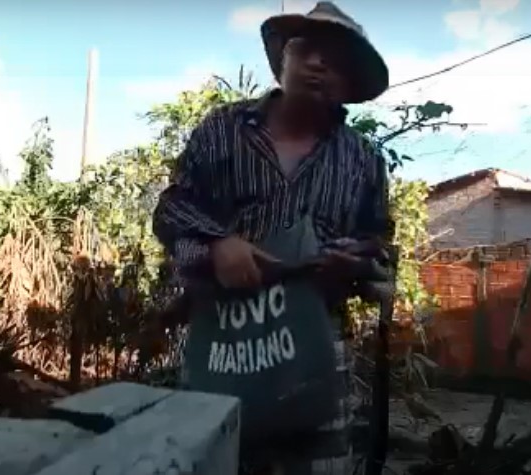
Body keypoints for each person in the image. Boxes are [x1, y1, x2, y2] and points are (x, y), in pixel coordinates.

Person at [153, 2, 390, 473]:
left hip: (316, 340)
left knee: (316, 463)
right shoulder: (223, 130)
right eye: (307, 50)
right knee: (213, 456)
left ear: (350, 85)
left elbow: (379, 243)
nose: (319, 64)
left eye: (336, 59)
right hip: (223, 334)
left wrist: (356, 263)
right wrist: (218, 244)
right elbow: (172, 209)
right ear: (283, 59)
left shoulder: (363, 159)